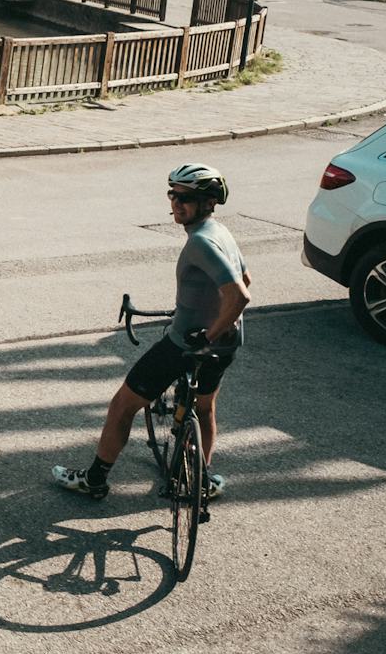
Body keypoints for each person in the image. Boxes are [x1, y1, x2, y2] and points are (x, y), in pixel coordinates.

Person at [53, 164, 250, 501]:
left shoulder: (201, 243)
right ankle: (199, 482)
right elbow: (245, 279)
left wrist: (206, 334)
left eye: (186, 197)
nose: (176, 202)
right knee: (203, 409)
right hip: (226, 346)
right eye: (173, 194)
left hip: (186, 345)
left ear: (210, 202)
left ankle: (95, 479)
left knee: (122, 405)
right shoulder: (222, 233)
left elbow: (240, 295)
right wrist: (214, 322)